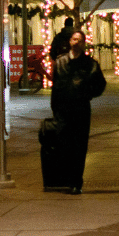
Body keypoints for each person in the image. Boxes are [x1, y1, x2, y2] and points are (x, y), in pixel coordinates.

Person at [48, 29, 107, 194]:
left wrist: (87, 94)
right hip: (63, 110)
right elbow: (55, 87)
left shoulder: (90, 64)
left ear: (83, 43)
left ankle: (76, 182)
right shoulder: (60, 62)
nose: (76, 42)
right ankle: (68, 179)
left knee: (79, 146)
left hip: (81, 109)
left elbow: (100, 84)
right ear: (70, 42)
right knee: (64, 144)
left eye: (80, 40)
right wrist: (55, 108)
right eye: (74, 39)